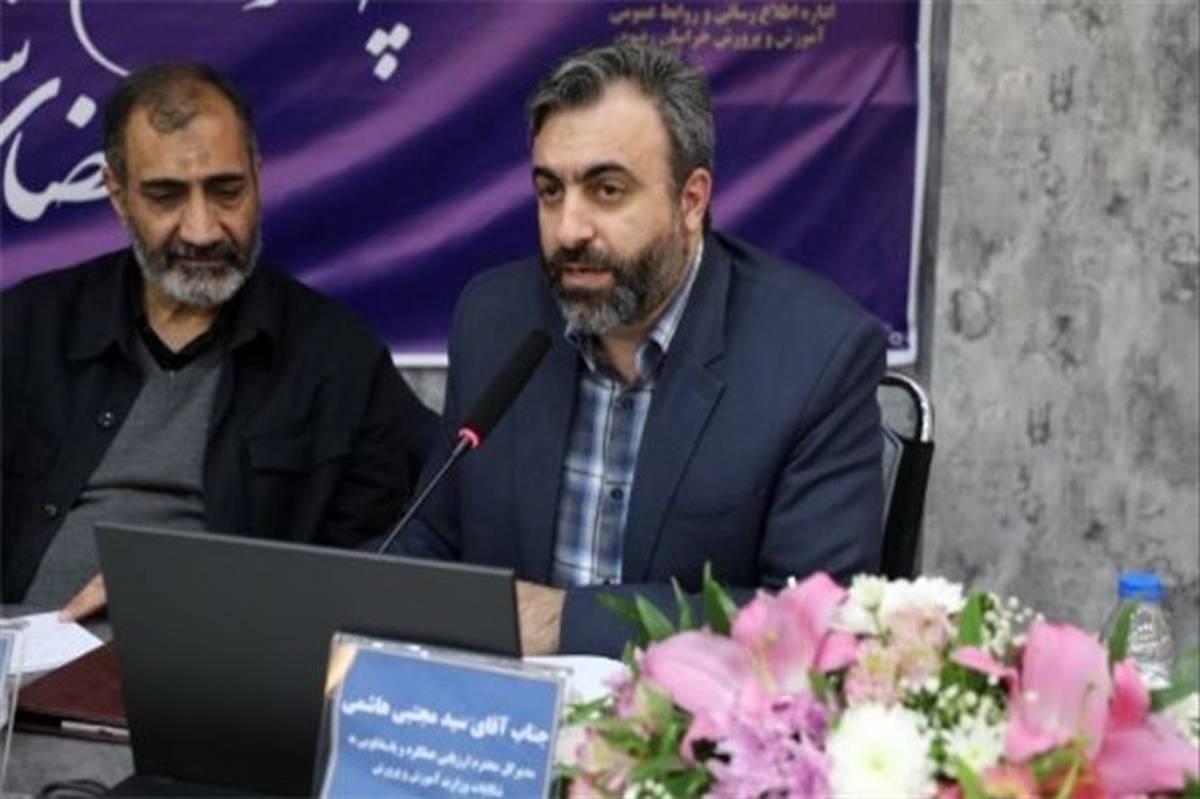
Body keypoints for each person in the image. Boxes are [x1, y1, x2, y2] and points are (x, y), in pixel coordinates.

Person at [400, 41, 886, 657]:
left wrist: (566, 623)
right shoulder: (495, 318)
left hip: (689, 714)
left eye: (607, 190)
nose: (569, 230)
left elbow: (818, 621)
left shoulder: (816, 354)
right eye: (550, 191)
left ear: (691, 199)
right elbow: (434, 537)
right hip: (504, 706)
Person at [1, 63, 437, 615]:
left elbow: (389, 555)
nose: (202, 230)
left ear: (257, 176)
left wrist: (218, 586)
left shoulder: (336, 359)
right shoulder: (25, 328)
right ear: (117, 195)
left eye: (226, 191)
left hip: (204, 657)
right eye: (166, 196)